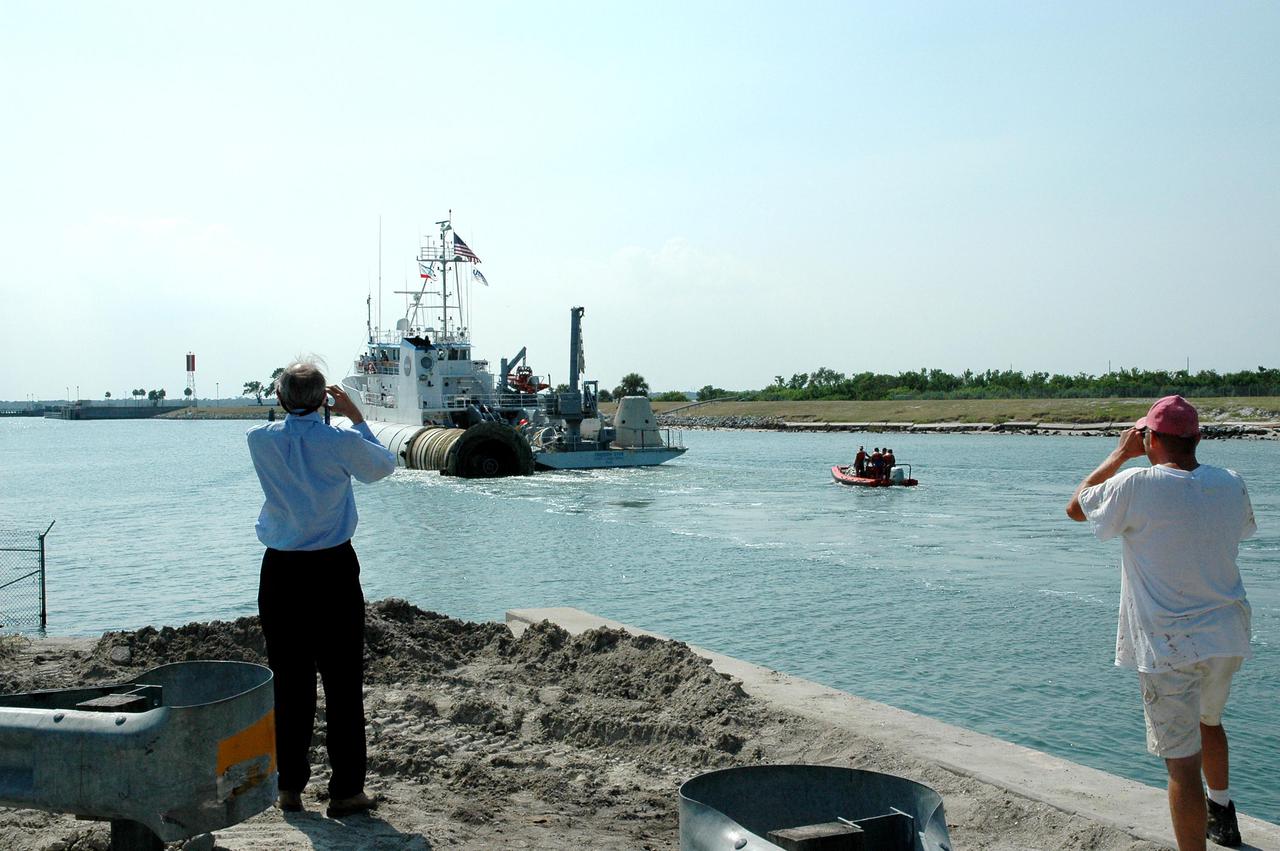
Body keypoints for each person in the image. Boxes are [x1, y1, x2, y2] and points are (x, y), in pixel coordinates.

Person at [1066, 396, 1255, 850]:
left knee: (1181, 764)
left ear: (1149, 438)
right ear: (1198, 437)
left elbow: (1076, 507)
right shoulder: (1230, 482)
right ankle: (1223, 814)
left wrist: (1119, 454)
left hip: (1170, 644)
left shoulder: (1136, 484)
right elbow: (1238, 529)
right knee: (1210, 721)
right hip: (1227, 632)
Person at [247, 361, 396, 818]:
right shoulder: (340, 442)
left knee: (289, 681)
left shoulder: (259, 440)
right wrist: (357, 418)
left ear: (279, 399)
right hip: (332, 568)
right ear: (325, 400)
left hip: (281, 569)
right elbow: (383, 467)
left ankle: (289, 786)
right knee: (342, 682)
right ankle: (346, 790)